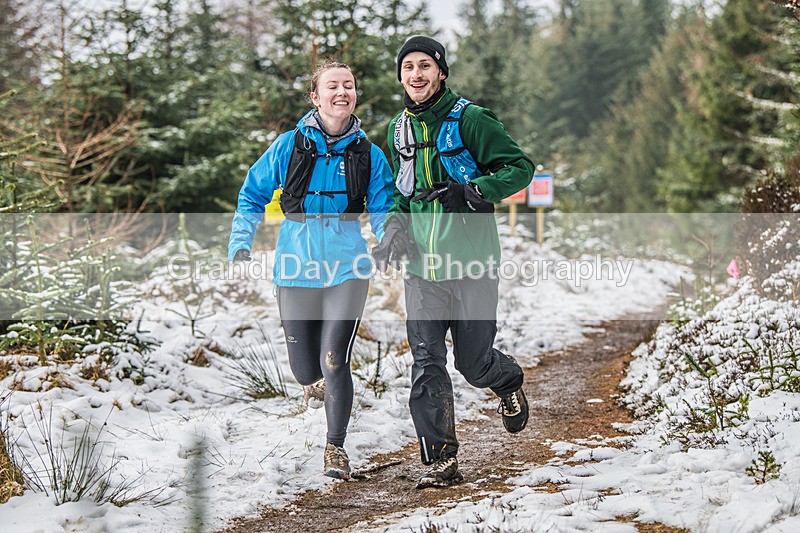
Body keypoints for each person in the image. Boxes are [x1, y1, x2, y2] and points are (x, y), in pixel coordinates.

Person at [372, 36, 535, 489]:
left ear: (441, 72)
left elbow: (520, 167)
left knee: (473, 363)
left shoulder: (473, 119)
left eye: (425, 65)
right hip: (423, 269)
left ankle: (506, 381)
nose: (416, 75)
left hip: (473, 263)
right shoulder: (397, 129)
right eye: (408, 67)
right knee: (426, 363)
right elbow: (401, 196)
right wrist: (392, 232)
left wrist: (473, 191)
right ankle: (440, 459)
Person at [228, 61, 394, 480]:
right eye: (332, 86)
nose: (342, 92)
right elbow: (251, 196)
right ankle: (314, 381)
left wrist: (391, 239)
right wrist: (240, 243)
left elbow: (385, 207)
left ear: (356, 95)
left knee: (335, 360)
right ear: (315, 97)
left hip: (347, 267)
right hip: (295, 265)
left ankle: (334, 447)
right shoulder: (288, 146)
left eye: (350, 85)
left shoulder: (369, 155)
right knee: (306, 369)